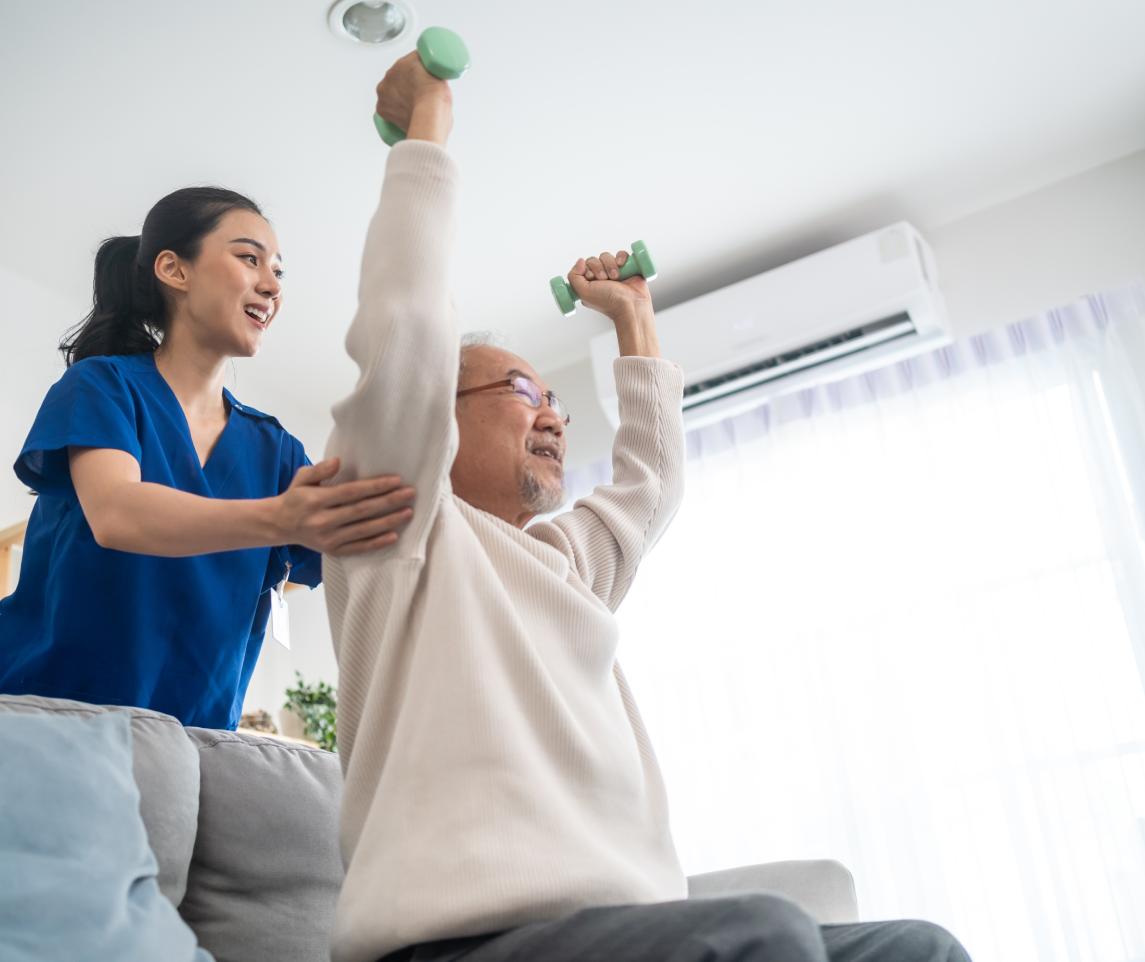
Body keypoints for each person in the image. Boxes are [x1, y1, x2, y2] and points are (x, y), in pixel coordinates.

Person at [321, 54, 973, 962]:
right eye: (520, 389)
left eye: (556, 399)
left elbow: (648, 483)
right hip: (452, 945)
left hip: (617, 933)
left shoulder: (562, 564)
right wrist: (425, 138)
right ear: (434, 413)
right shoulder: (390, 530)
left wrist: (631, 317)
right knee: (767, 931)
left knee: (915, 946)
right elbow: (404, 335)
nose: (550, 413)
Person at [0, 187, 416, 729]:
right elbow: (118, 513)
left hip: (193, 743)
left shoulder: (276, 450)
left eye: (279, 271)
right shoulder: (102, 386)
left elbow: (368, 555)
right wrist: (279, 519)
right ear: (174, 270)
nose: (272, 285)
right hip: (47, 719)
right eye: (250, 258)